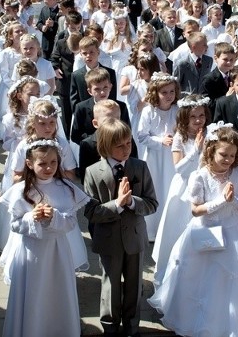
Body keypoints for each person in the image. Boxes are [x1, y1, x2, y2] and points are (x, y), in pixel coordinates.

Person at [148, 123, 238, 336]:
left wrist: (234, 199)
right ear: (211, 151)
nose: (228, 160)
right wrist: (220, 201)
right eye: (223, 155)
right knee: (201, 280)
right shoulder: (200, 176)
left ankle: (231, 321)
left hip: (234, 230)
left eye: (233, 156)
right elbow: (196, 210)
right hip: (205, 231)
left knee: (235, 278)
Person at [0, 139, 89, 337]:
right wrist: (32, 217)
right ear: (30, 164)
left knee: (57, 292)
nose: (49, 168)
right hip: (31, 252)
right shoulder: (21, 190)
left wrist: (54, 217)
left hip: (57, 251)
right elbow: (14, 224)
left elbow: (71, 223)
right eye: (42, 163)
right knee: (33, 293)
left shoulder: (66, 189)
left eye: (53, 163)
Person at [84, 118, 158, 337]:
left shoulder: (140, 167)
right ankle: (110, 326)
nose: (126, 149)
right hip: (108, 240)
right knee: (111, 285)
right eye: (120, 145)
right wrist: (117, 204)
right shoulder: (92, 172)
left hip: (134, 238)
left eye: (129, 143)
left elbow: (152, 203)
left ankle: (132, 327)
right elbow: (90, 211)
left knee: (135, 286)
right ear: (106, 146)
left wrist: (132, 202)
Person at [151, 94, 209, 287]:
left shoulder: (209, 134)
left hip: (204, 188)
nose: (198, 120)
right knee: (179, 230)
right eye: (193, 117)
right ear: (185, 118)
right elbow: (179, 168)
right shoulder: (179, 138)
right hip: (183, 190)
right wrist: (196, 151)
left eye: (201, 115)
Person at [136, 72, 180, 241]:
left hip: (172, 157)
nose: (169, 96)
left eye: (171, 92)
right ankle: (152, 230)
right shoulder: (149, 112)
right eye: (164, 92)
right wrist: (160, 140)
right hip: (155, 157)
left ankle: (169, 229)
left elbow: (182, 130)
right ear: (155, 93)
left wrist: (176, 139)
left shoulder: (177, 110)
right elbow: (142, 136)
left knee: (169, 188)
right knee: (155, 188)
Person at [200, 42, 235, 115]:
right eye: (225, 59)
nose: (229, 62)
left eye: (231, 59)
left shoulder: (234, 76)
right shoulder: (209, 79)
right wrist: (226, 98)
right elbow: (207, 104)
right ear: (216, 58)